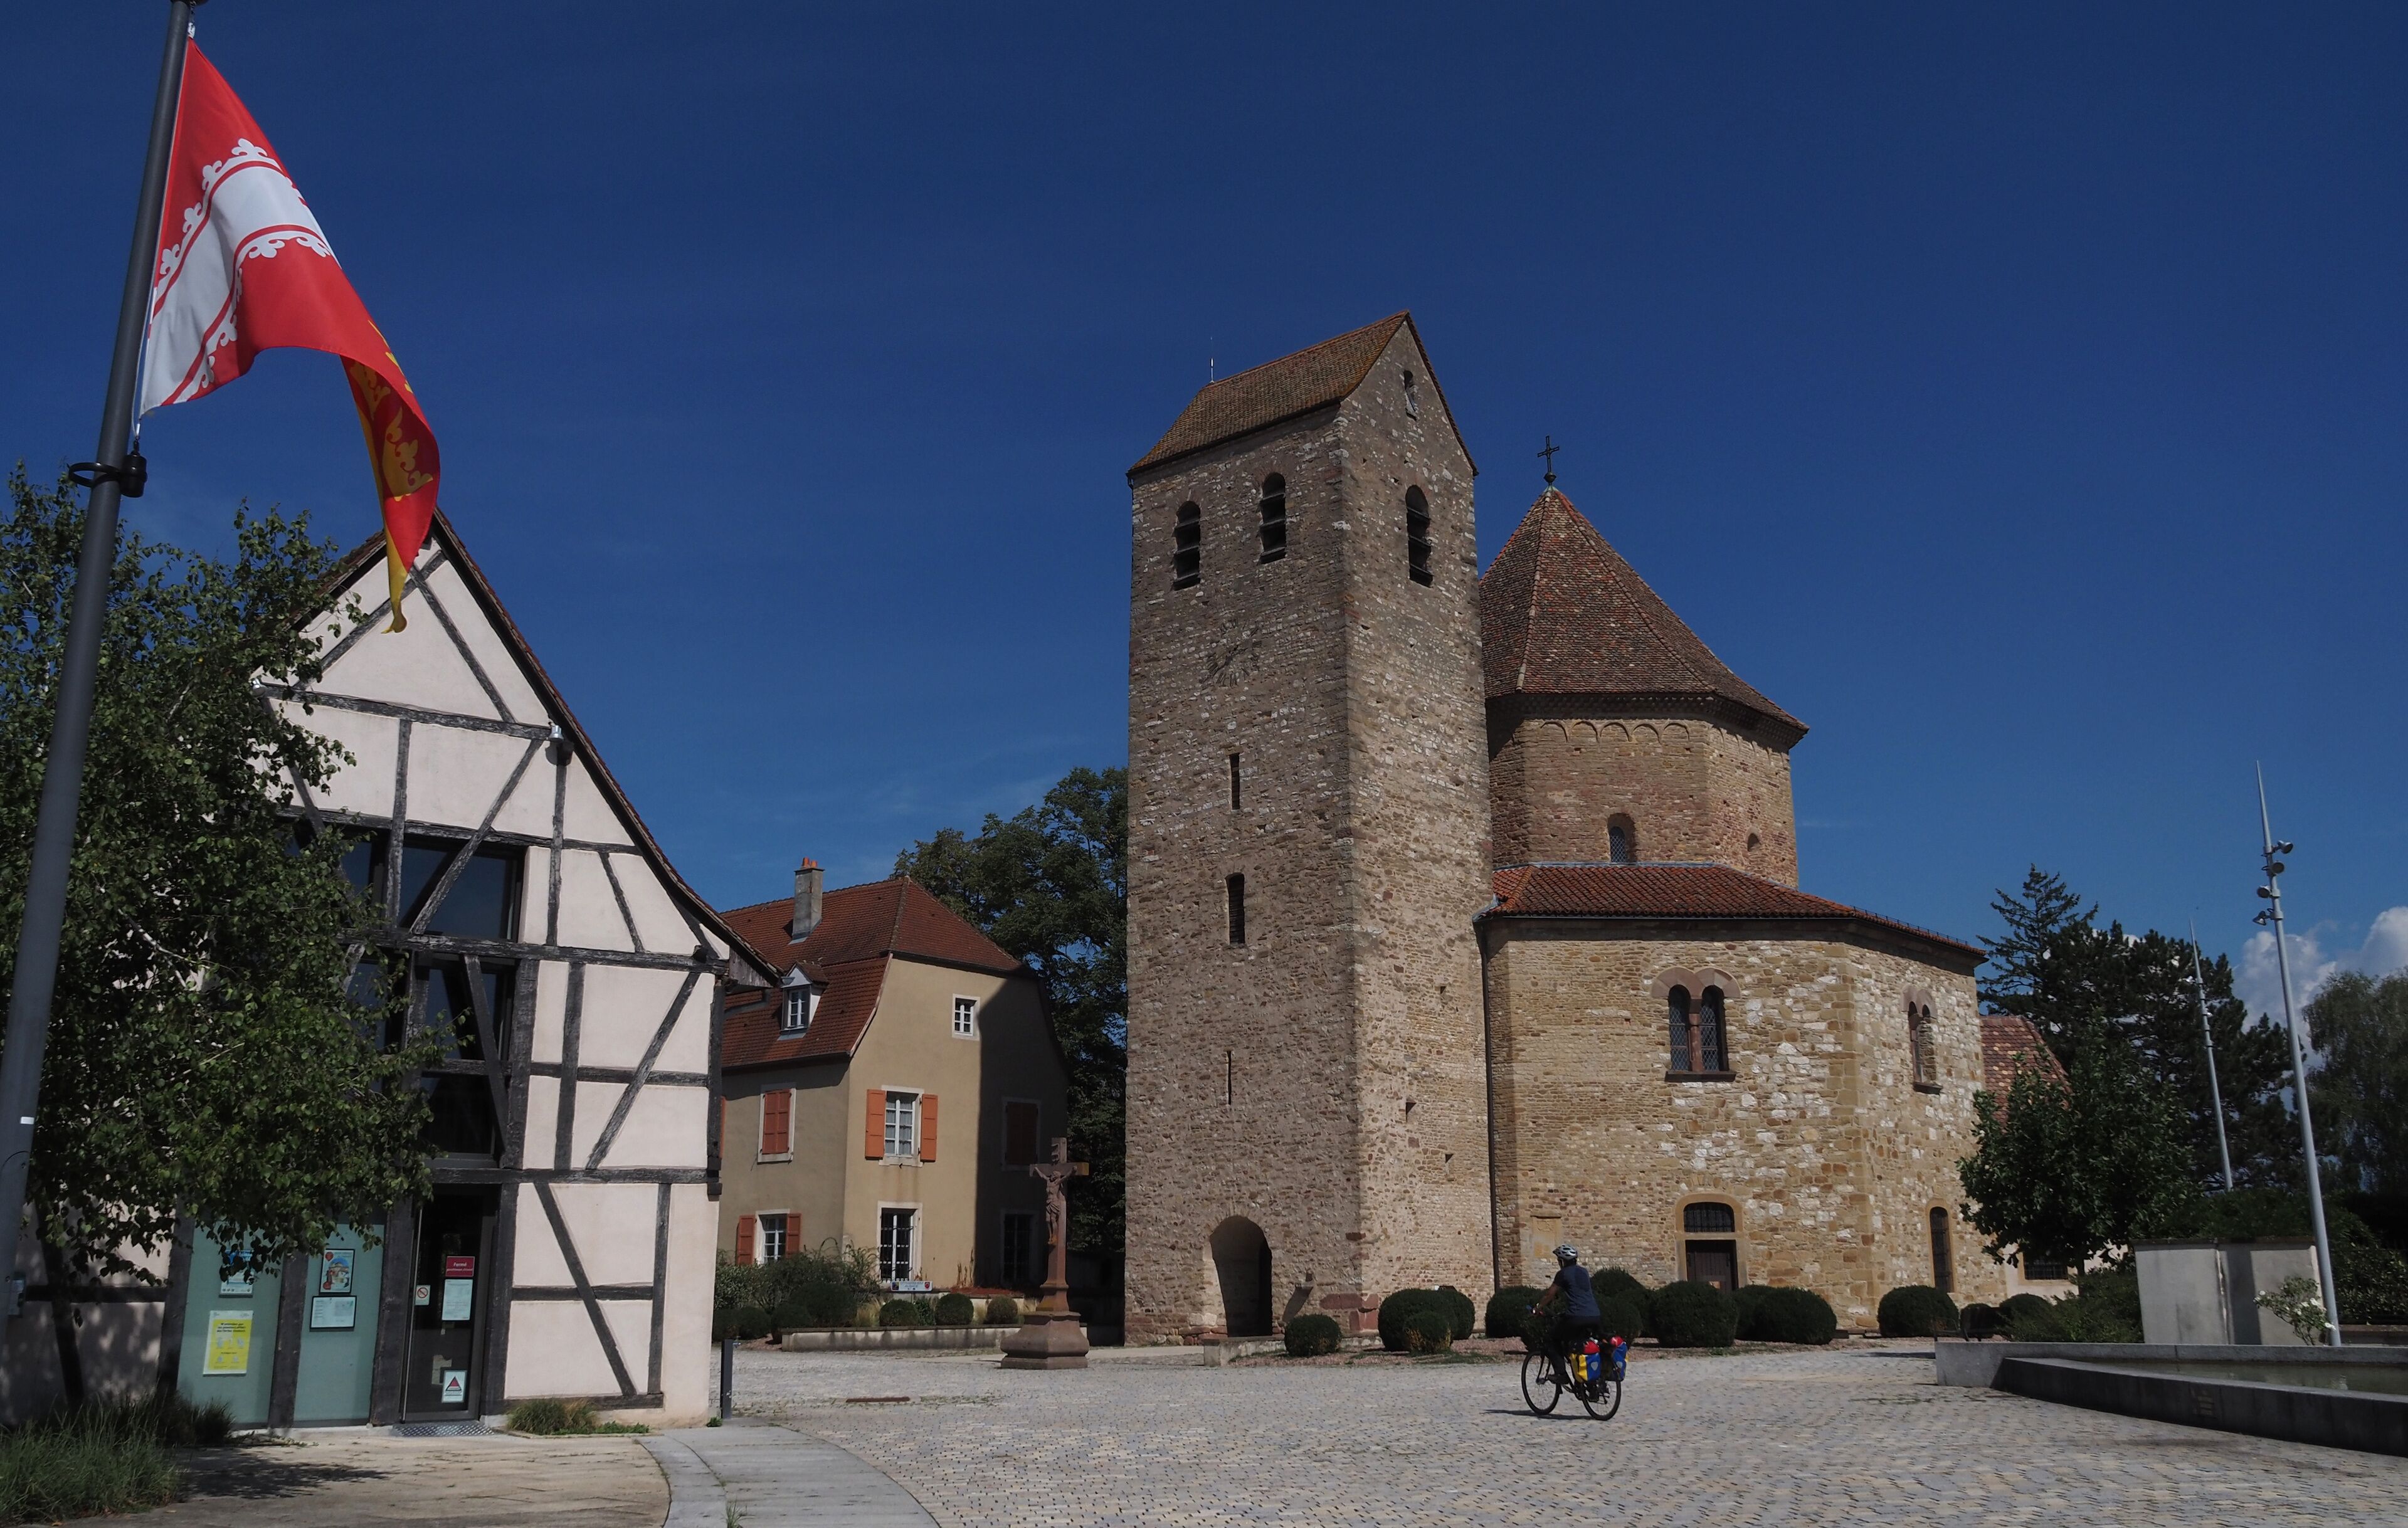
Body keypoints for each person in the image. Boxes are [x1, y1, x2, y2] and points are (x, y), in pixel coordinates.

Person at [1530, 1243, 1603, 1381]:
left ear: (1562, 1261)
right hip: (1595, 1315)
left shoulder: (1563, 1274)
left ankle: (1561, 1374)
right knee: (1582, 1343)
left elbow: (1550, 1295)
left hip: (1576, 1317)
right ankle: (1590, 1381)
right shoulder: (1584, 1272)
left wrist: (1538, 1308)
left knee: (1552, 1340)